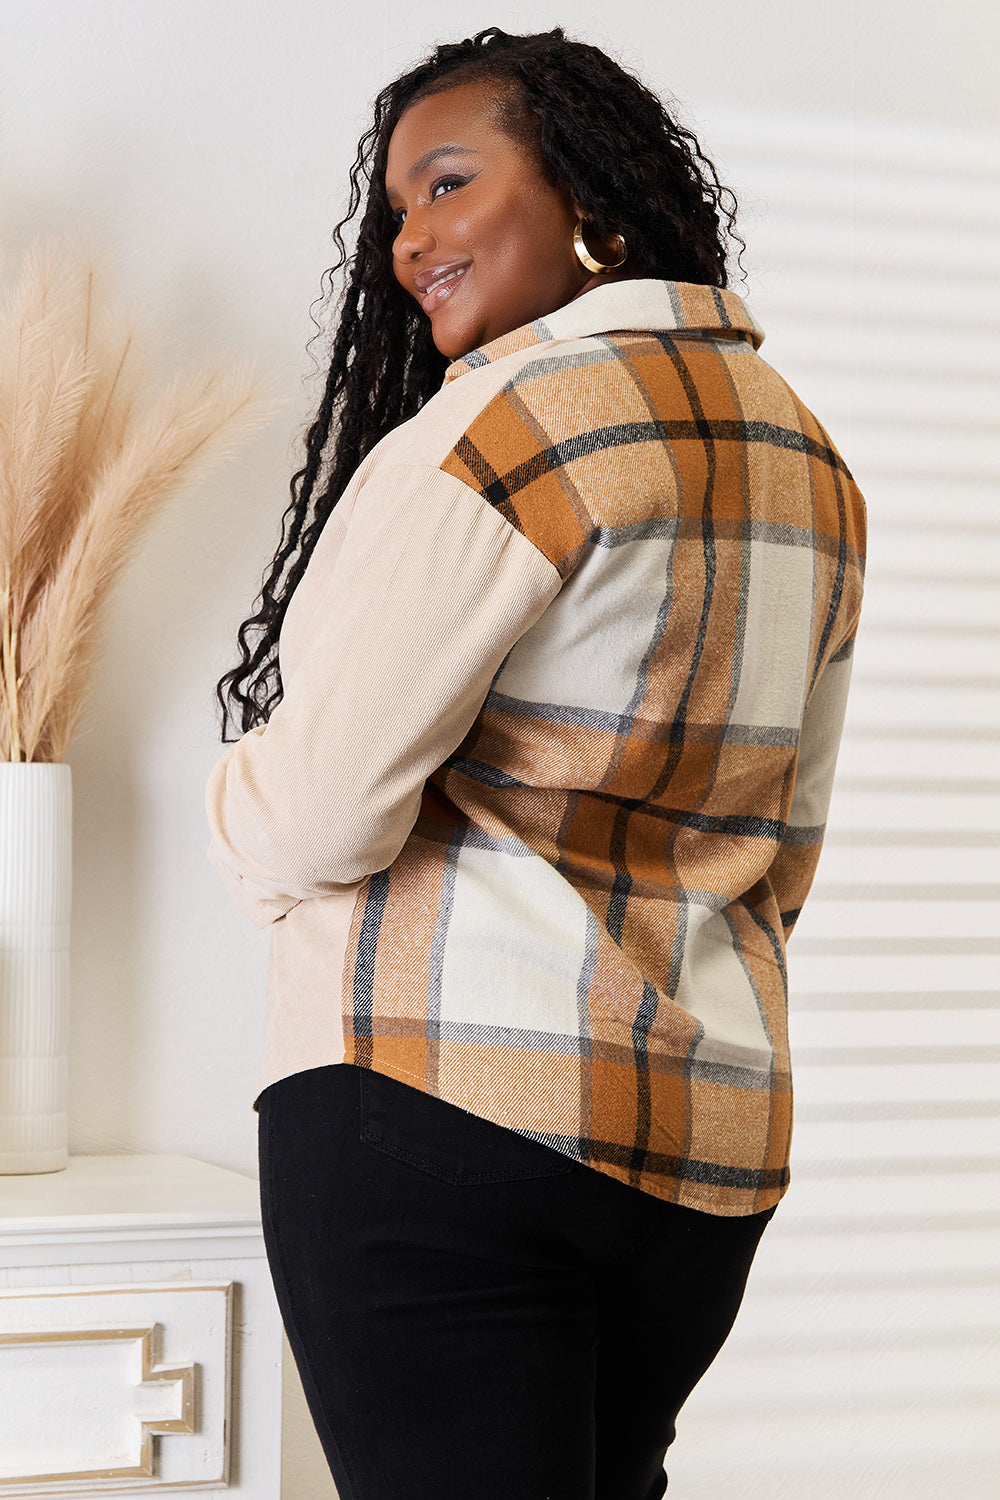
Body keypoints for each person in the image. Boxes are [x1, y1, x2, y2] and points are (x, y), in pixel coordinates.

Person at [206, 25, 866, 1500]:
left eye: (447, 183)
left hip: (435, 1104)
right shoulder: (806, 456)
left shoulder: (508, 424)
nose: (408, 242)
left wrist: (233, 803)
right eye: (394, 211)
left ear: (590, 202)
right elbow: (788, 835)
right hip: (700, 1141)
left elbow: (312, 818)